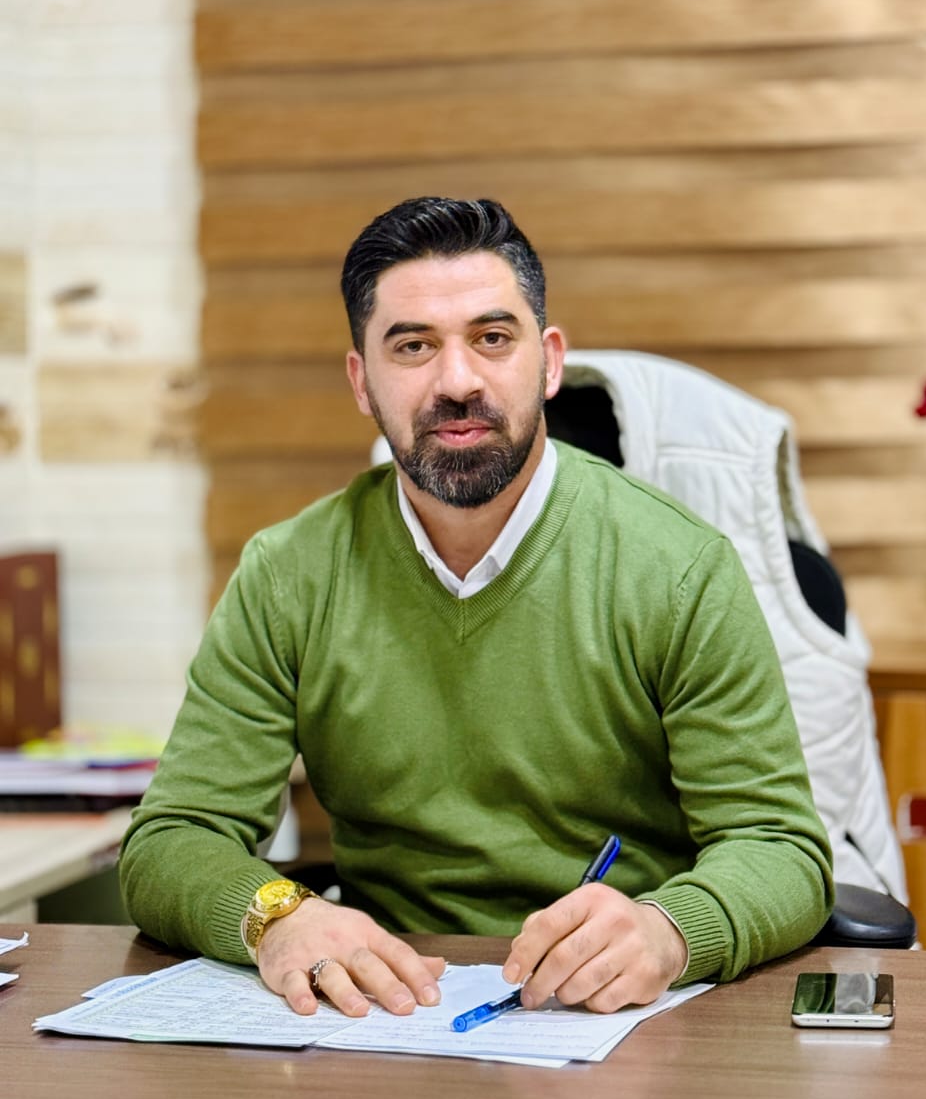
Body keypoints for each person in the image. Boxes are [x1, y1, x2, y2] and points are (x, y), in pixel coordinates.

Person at [120, 197, 834, 1021]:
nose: (457, 381)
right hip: (386, 1014)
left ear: (549, 363)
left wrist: (670, 930)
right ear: (361, 381)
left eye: (493, 339)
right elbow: (170, 840)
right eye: (412, 346)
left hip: (618, 1019)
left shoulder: (680, 569)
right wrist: (278, 916)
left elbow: (780, 849)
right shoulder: (289, 576)